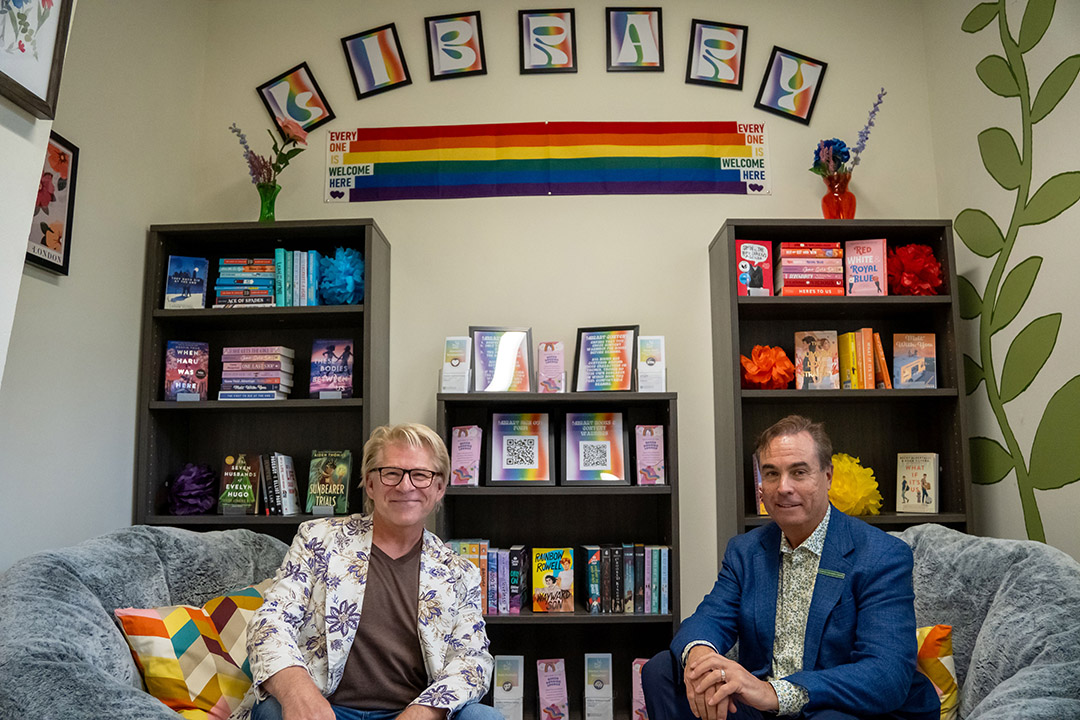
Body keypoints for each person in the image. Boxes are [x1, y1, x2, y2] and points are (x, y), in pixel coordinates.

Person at [641, 415, 939, 720]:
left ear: (827, 476)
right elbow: (709, 618)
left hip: (837, 705)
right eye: (771, 474)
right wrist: (700, 656)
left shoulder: (881, 555)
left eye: (798, 472)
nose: (783, 487)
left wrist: (775, 693)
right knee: (663, 670)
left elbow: (886, 674)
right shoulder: (746, 551)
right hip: (762, 706)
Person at [230, 423, 497, 720]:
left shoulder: (459, 571)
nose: (405, 486)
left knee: (485, 718)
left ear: (439, 488)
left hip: (408, 712)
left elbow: (473, 660)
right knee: (272, 711)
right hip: (325, 707)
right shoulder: (319, 539)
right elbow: (271, 621)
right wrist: (298, 692)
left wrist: (426, 710)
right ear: (370, 484)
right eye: (391, 472)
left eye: (420, 475)